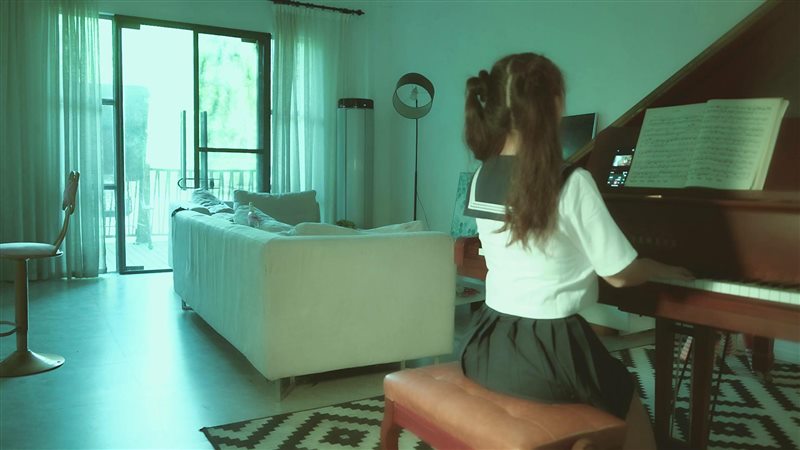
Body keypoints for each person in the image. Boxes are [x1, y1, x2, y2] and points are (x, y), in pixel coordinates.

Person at [458, 52, 693, 450]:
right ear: (551, 106)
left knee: (597, 386)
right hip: (550, 351)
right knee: (625, 397)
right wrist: (657, 267)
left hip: (487, 343)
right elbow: (620, 274)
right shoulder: (571, 182)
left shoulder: (482, 175)